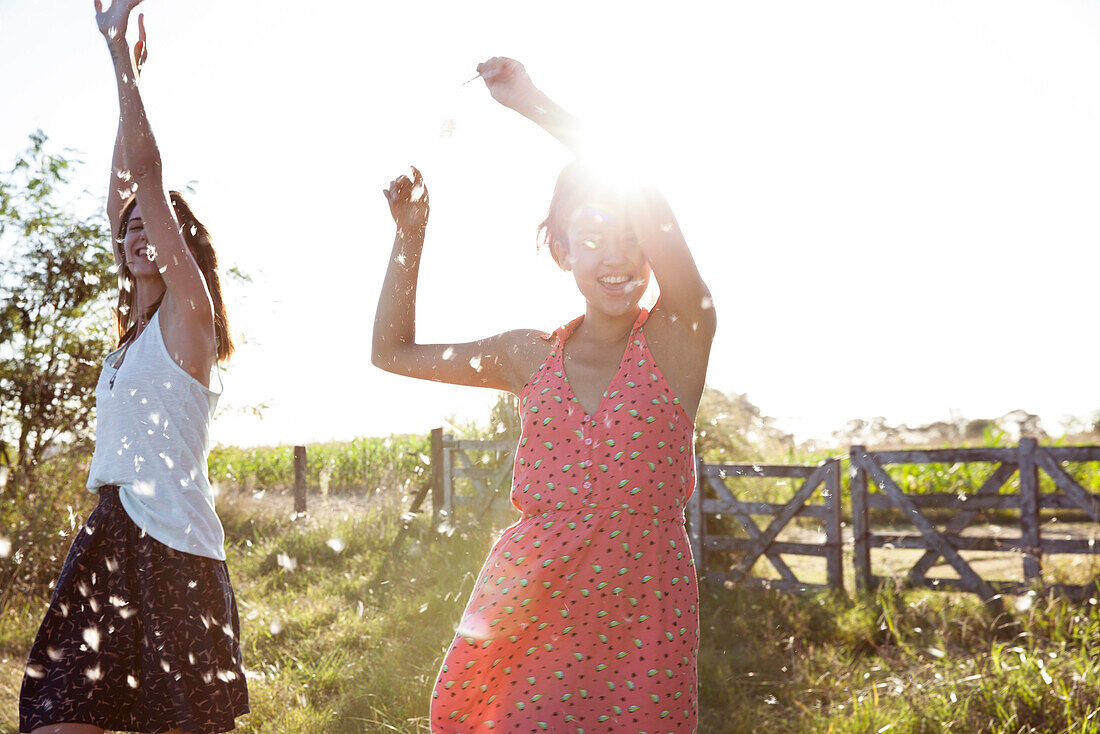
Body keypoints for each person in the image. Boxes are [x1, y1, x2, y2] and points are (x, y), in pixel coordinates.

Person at [374, 57, 716, 733]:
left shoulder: (680, 340)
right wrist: (409, 237)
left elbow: (644, 191)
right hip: (530, 604)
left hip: (641, 620)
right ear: (561, 251)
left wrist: (531, 103)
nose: (615, 256)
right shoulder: (528, 356)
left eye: (630, 238)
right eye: (591, 240)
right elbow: (391, 352)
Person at [19, 2, 248, 732]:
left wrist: (118, 51)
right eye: (132, 227)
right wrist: (133, 76)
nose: (139, 227)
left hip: (174, 550)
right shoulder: (129, 339)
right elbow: (125, 190)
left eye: (158, 223)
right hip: (109, 536)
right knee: (57, 708)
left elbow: (145, 177)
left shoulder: (190, 319)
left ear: (185, 248)